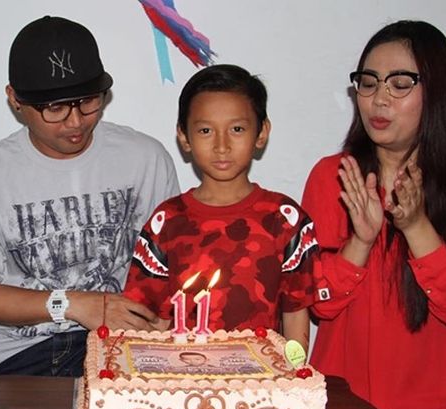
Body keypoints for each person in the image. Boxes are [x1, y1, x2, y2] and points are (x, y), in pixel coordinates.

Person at [0, 16, 179, 408]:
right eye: (54, 107)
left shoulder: (145, 158)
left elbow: (172, 266)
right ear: (15, 99)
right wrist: (73, 304)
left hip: (127, 347)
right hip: (24, 355)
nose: (75, 121)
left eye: (88, 101)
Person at [302, 20, 446, 409]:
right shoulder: (333, 177)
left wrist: (417, 227)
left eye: (400, 84)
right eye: (368, 83)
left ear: (439, 91)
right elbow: (318, 302)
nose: (379, 98)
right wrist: (361, 240)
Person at [124, 64, 329, 351]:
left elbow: (295, 314)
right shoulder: (166, 222)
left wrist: (295, 374)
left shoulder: (285, 219)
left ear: (261, 132)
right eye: (206, 130)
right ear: (184, 136)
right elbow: (152, 321)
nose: (222, 145)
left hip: (265, 376)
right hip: (182, 372)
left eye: (237, 129)